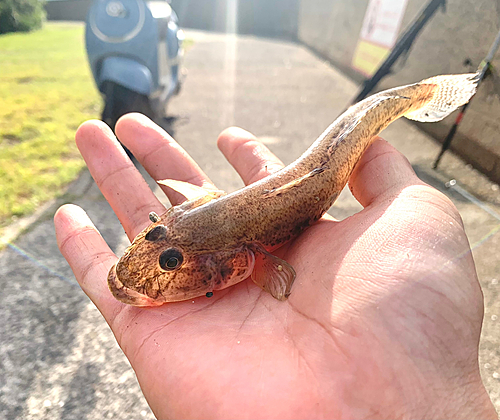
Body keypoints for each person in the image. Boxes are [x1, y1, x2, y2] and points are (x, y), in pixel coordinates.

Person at [54, 113, 497, 419]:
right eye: (155, 232)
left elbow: (276, 276)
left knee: (365, 119)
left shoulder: (249, 258)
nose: (154, 250)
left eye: (170, 262)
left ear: (243, 261)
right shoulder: (180, 230)